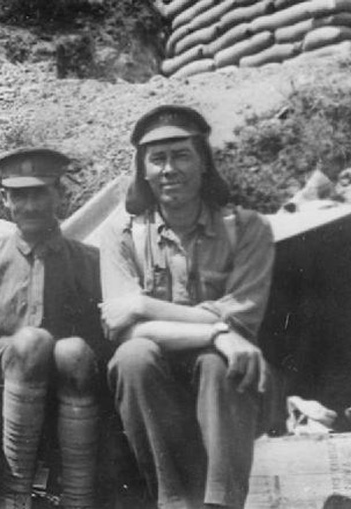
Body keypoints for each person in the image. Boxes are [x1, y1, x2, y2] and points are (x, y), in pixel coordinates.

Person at [100, 105, 275, 509]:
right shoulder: (121, 235)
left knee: (221, 362)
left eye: (181, 155)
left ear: (204, 164)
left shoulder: (247, 229)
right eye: (157, 159)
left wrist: (143, 306)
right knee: (132, 356)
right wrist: (215, 330)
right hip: (157, 388)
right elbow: (123, 329)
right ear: (142, 170)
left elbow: (241, 322)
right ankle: (173, 503)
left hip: (234, 389)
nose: (169, 169)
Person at [0, 148, 108, 509]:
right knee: (31, 342)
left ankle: (78, 496)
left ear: (60, 193)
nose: (30, 205)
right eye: (19, 195)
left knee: (73, 350)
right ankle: (15, 494)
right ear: (4, 199)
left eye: (40, 193)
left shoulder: (90, 262)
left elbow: (102, 342)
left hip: (70, 397)